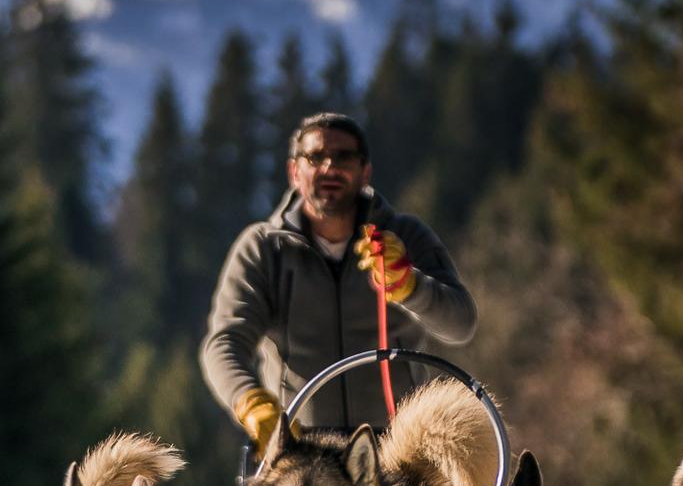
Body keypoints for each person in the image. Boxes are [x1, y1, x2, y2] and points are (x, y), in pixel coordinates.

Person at [200, 112, 477, 450]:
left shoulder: (405, 236)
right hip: (300, 448)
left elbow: (461, 324)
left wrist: (410, 287)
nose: (330, 167)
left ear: (365, 172)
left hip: (402, 447)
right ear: (294, 172)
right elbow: (223, 344)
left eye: (344, 156)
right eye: (315, 156)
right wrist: (250, 402)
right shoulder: (263, 248)